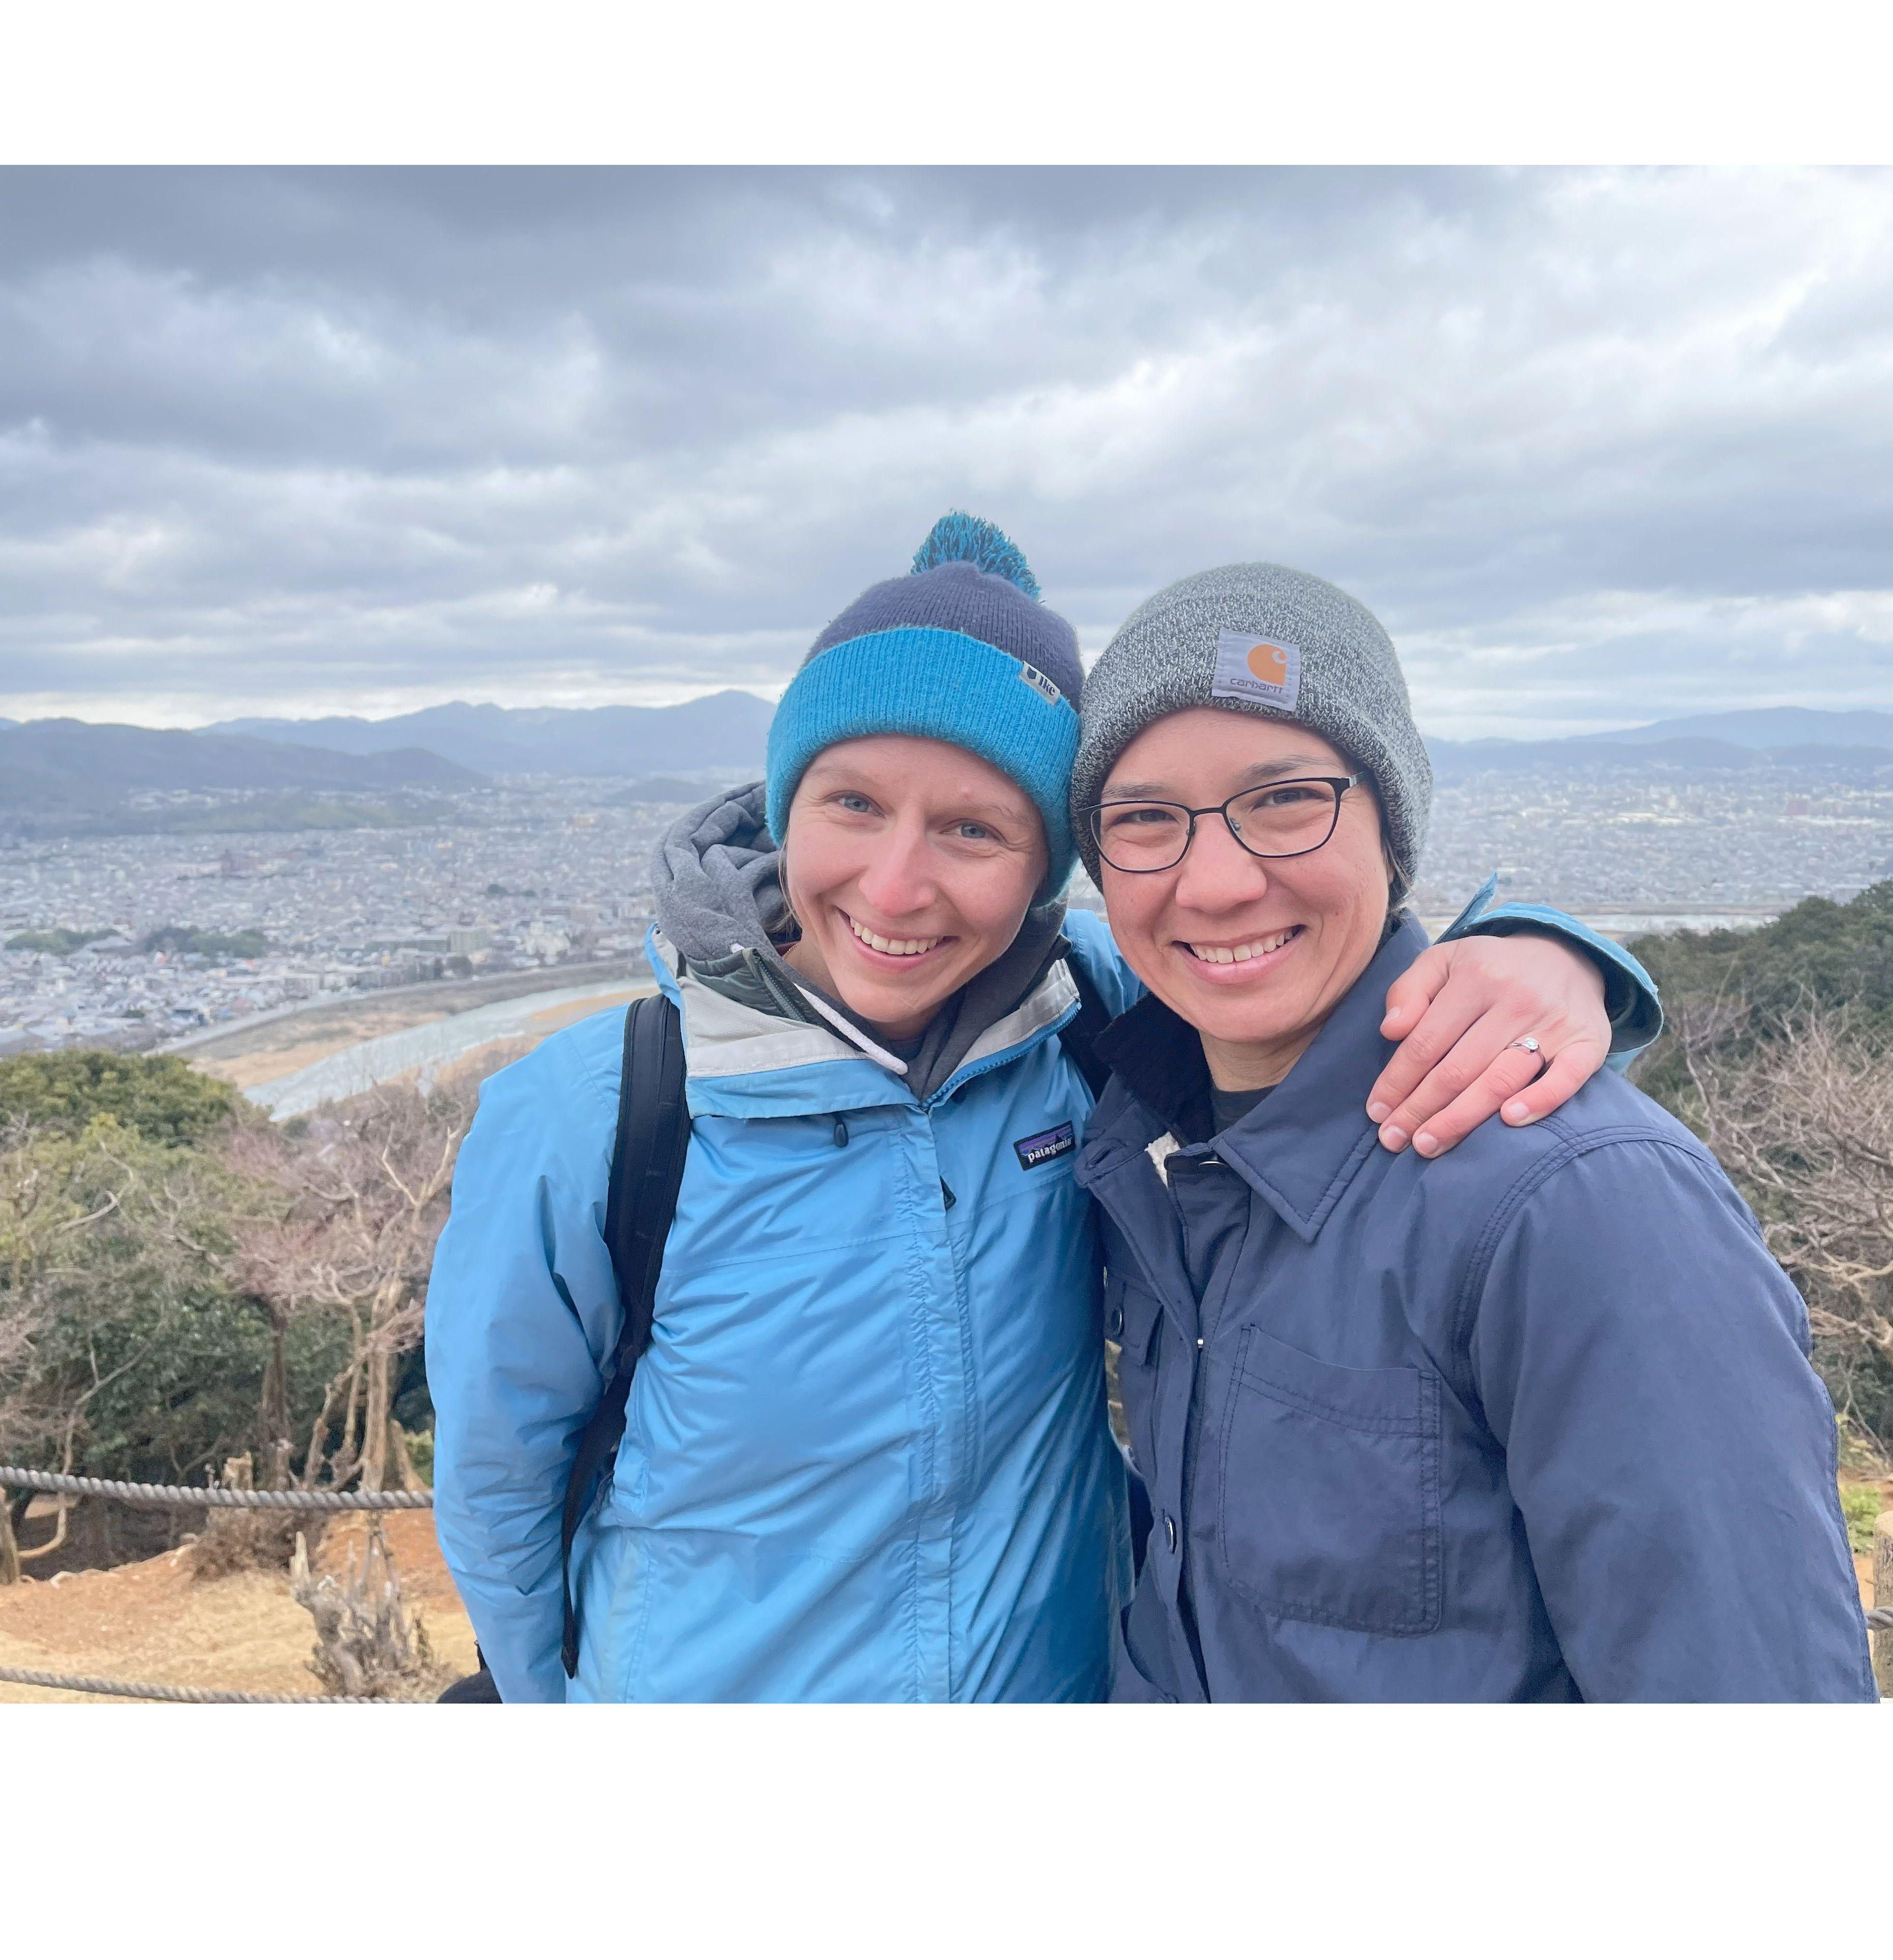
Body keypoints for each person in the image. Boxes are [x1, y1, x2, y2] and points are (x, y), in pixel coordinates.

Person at [425, 519, 1661, 1703]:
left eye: (975, 827)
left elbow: (1295, 976)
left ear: (1043, 878)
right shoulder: (602, 1112)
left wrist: (1548, 952)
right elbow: (497, 1493)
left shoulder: (1088, 1022)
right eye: (852, 803)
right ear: (783, 803)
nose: (897, 885)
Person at [1069, 562, 1877, 1702]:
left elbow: (1752, 1701)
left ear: (1393, 828)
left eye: (1287, 799)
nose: (1215, 881)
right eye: (1146, 819)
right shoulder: (1146, 1140)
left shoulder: (1580, 1200)